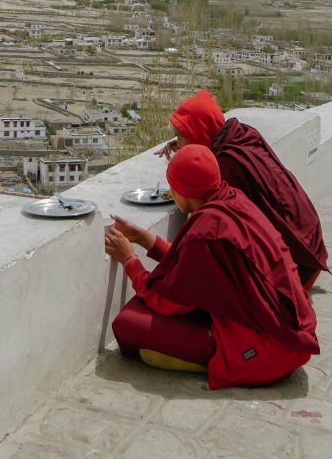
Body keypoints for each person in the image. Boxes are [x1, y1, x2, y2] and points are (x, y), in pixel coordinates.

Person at [105, 145, 319, 389]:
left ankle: (214, 360)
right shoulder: (232, 200)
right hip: (291, 330)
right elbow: (193, 267)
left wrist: (129, 260)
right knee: (146, 300)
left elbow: (165, 302)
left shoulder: (207, 231)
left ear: (184, 191)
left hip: (267, 350)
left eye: (172, 186)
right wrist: (145, 239)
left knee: (127, 322)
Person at [159, 89, 328, 288]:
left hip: (298, 265)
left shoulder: (227, 164)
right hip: (312, 241)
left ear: (199, 131)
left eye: (180, 135)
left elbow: (208, 219)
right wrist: (187, 144)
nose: (177, 140)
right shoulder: (241, 134)